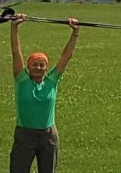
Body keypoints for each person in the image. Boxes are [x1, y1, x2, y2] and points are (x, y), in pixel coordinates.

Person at [9, 14, 79, 173]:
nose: (38, 67)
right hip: (24, 136)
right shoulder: (22, 80)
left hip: (48, 137)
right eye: (34, 64)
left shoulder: (52, 81)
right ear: (28, 67)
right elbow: (15, 51)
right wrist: (14, 27)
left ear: (47, 68)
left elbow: (66, 57)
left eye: (42, 65)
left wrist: (75, 33)